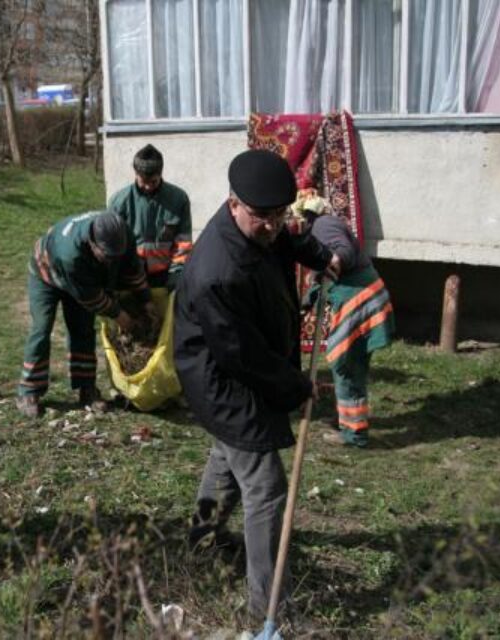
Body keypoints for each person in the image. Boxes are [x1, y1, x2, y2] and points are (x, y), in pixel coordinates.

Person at [173, 150, 337, 618]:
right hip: (222, 379)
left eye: (279, 215)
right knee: (265, 486)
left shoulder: (260, 225)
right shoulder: (217, 273)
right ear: (233, 204)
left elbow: (284, 239)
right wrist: (295, 387)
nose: (271, 225)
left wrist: (319, 255)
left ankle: (203, 539)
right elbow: (242, 356)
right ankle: (267, 608)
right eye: (261, 217)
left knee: (227, 453)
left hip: (238, 366)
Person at [17, 210, 156, 418]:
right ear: (92, 242)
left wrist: (147, 301)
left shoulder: (121, 235)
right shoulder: (70, 254)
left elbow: (133, 268)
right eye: (106, 256)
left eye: (115, 255)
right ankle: (28, 391)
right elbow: (93, 299)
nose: (111, 260)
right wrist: (124, 319)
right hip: (46, 271)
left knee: (82, 329)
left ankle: (87, 389)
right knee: (42, 328)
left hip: (82, 275)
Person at [296, 194, 394, 448]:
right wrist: (309, 295)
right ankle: (351, 425)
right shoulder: (323, 227)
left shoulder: (322, 225)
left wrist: (333, 261)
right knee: (350, 364)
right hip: (362, 298)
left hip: (360, 301)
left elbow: (342, 253)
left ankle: (354, 434)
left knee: (345, 364)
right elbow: (325, 270)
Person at [108, 144, 192, 290]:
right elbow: (112, 245)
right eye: (143, 182)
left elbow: (183, 243)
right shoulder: (118, 202)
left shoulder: (179, 199)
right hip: (130, 276)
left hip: (165, 276)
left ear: (161, 173)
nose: (147, 187)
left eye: (153, 182)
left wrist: (176, 275)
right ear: (135, 174)